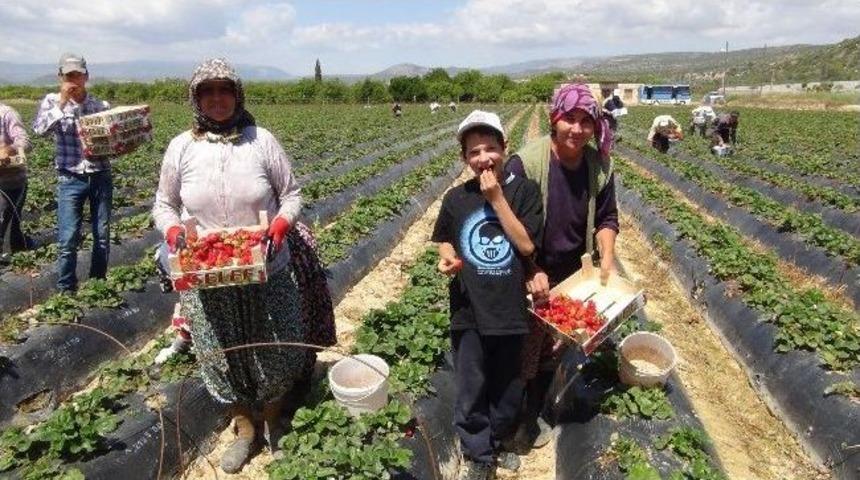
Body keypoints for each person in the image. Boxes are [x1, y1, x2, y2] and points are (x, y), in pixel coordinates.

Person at [152, 58, 335, 474]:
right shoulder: (182, 147)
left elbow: (291, 194)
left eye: (224, 90)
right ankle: (243, 427)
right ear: (196, 99)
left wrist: (283, 223)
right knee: (220, 351)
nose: (217, 99)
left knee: (274, 342)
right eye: (208, 92)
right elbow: (164, 204)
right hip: (208, 266)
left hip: (265, 259)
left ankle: (273, 419)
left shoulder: (261, 141)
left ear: (237, 94)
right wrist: (174, 232)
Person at [504, 83, 619, 452]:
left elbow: (607, 218)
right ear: (555, 118)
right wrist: (528, 268)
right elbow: (506, 223)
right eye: (570, 118)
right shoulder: (525, 163)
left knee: (554, 347)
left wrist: (608, 261)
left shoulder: (598, 165)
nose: (577, 128)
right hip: (530, 268)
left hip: (572, 273)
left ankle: (536, 410)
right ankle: (513, 418)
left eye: (587, 121)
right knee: (523, 348)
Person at [432, 110, 543, 480]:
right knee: (471, 386)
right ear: (464, 158)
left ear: (504, 148)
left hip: (510, 309)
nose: (483, 158)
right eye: (474, 152)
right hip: (468, 309)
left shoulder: (525, 192)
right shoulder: (455, 199)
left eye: (490, 148)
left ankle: (497, 440)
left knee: (508, 386)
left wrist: (496, 198)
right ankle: (479, 456)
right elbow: (445, 240)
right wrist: (446, 257)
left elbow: (526, 245)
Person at [32, 53, 112, 292]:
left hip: (100, 175)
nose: (74, 80)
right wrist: (62, 104)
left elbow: (114, 143)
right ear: (60, 77)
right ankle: (66, 288)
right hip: (70, 178)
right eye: (69, 76)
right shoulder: (51, 102)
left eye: (78, 75)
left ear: (86, 76)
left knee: (102, 234)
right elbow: (39, 131)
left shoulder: (100, 106)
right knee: (68, 238)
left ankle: (97, 283)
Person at [0, 102, 32, 263]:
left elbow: (25, 141)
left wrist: (9, 149)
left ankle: (15, 257)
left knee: (4, 223)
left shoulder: (6, 113)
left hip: (9, 182)